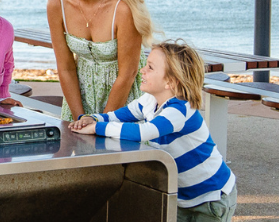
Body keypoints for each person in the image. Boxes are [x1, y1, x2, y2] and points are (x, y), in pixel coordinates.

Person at [72, 40, 236, 221]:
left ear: (170, 82)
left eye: (150, 67)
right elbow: (119, 115)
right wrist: (93, 118)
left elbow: (143, 132)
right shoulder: (149, 101)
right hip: (183, 198)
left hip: (211, 197)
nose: (142, 69)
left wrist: (97, 128)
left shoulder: (181, 110)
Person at [47, 0, 157, 121]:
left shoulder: (123, 8)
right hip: (78, 101)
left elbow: (127, 74)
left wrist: (101, 123)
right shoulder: (57, 3)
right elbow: (65, 68)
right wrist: (80, 117)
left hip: (124, 102)